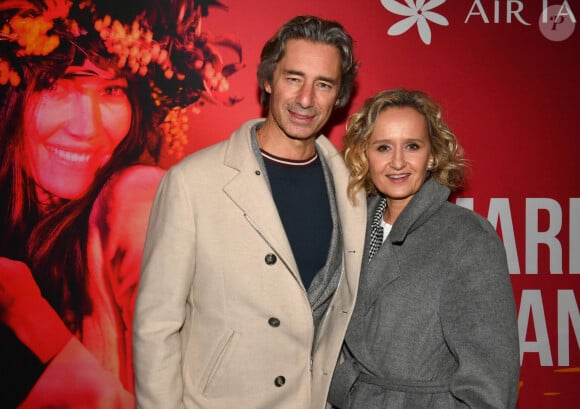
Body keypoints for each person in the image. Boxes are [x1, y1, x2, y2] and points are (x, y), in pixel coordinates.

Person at [0, 1, 241, 407]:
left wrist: (31, 319)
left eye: (112, 90)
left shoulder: (134, 200)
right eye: (53, 85)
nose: (86, 128)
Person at [133, 15, 366, 409]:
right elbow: (155, 326)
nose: (306, 99)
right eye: (294, 78)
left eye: (323, 85)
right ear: (268, 80)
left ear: (338, 95)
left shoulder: (354, 191)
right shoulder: (193, 183)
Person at [327, 89, 521, 408]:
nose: (398, 162)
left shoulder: (467, 237)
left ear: (431, 155)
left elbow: (491, 379)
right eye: (383, 147)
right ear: (365, 154)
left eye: (412, 146)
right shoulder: (350, 230)